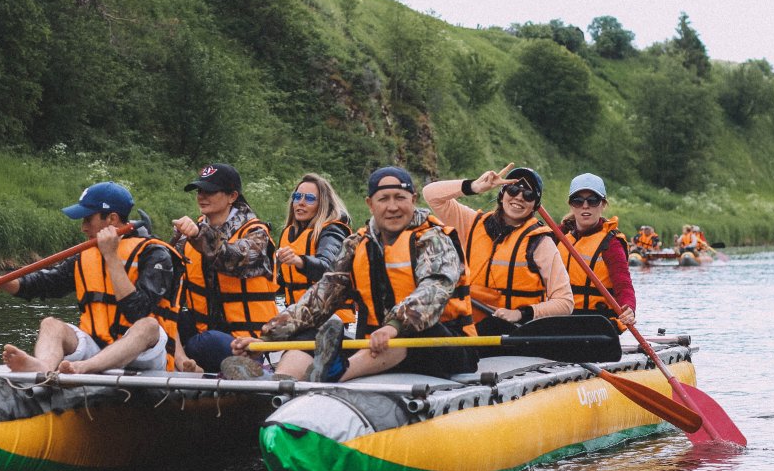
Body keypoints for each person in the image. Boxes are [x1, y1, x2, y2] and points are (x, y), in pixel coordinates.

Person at [230, 166, 478, 383]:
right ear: (370, 203)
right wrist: (268, 337)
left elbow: (434, 289)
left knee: (410, 331)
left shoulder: (433, 238)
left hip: (442, 346)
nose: (393, 207)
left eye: (400, 198)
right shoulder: (356, 244)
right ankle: (278, 382)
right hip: (374, 345)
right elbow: (321, 297)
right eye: (384, 199)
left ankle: (335, 374)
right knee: (308, 330)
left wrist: (394, 326)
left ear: (412, 199)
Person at [0, 182, 184, 374]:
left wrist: (111, 256)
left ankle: (84, 368)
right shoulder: (85, 256)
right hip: (97, 345)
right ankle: (43, 367)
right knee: (50, 324)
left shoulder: (155, 254)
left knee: (148, 325)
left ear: (112, 219)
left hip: (145, 353)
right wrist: (2, 282)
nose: (83, 227)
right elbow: (46, 283)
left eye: (88, 219)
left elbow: (137, 311)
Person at [422, 163, 572, 336]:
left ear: (535, 205)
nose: (519, 197)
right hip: (466, 325)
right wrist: (474, 186)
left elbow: (565, 302)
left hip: (511, 333)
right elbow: (431, 194)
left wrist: (521, 313)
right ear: (502, 195)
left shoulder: (540, 242)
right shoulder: (470, 223)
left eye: (528, 194)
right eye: (513, 190)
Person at [172, 163, 278, 373]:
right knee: (158, 322)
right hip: (202, 333)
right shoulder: (188, 235)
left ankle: (256, 370)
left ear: (232, 196)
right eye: (200, 191)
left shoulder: (257, 234)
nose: (202, 196)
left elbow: (232, 258)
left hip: (246, 345)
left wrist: (197, 236)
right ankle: (182, 362)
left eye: (210, 191)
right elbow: (167, 287)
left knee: (204, 342)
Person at [558, 173, 636, 332]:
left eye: (593, 201)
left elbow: (623, 284)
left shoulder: (611, 243)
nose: (585, 206)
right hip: (561, 318)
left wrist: (629, 308)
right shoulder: (558, 235)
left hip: (599, 323)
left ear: (603, 205)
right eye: (578, 201)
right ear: (571, 205)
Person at [274, 173, 356, 323]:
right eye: (297, 197)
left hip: (330, 318)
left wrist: (299, 261)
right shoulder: (289, 233)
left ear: (323, 204)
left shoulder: (333, 231)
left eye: (310, 198)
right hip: (298, 317)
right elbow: (282, 284)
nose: (301, 202)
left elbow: (328, 270)